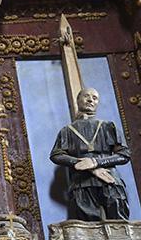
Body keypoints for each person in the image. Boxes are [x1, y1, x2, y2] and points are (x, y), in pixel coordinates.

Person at [50, 87, 131, 221]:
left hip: (110, 180)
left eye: (94, 98)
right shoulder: (67, 131)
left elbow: (124, 154)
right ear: (78, 100)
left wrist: (95, 163)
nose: (90, 100)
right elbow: (56, 155)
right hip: (81, 183)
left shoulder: (108, 126)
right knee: (88, 226)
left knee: (119, 221)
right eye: (86, 96)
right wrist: (81, 164)